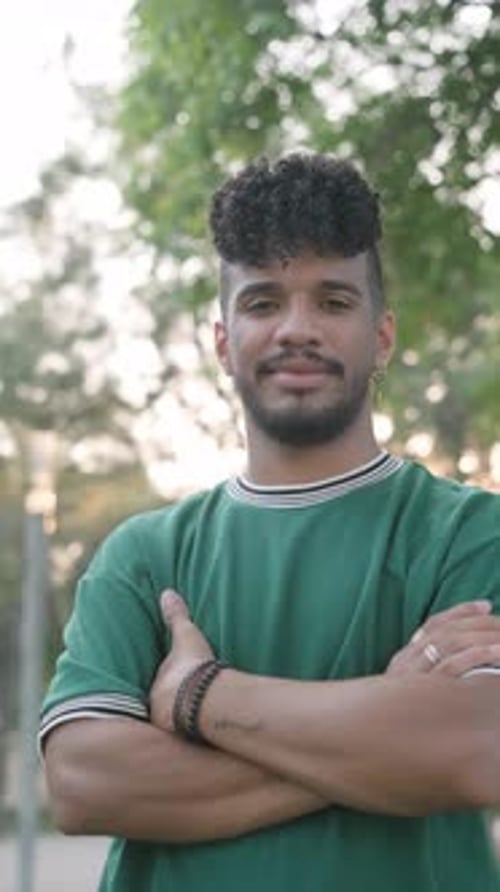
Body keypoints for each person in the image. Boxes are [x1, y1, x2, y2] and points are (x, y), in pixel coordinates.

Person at [40, 153, 500, 892]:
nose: (297, 328)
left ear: (382, 336)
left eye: (334, 301)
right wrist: (384, 726)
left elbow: (476, 751)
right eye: (262, 303)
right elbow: (82, 784)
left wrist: (201, 696)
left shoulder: (470, 533)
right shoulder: (145, 556)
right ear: (223, 342)